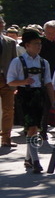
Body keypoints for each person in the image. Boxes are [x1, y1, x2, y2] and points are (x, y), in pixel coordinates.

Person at [5, 28, 55, 173]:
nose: (39, 46)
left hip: (39, 96)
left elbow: (48, 83)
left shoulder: (44, 62)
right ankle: (36, 160)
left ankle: (28, 158)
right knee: (32, 127)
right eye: (35, 43)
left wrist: (53, 102)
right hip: (25, 96)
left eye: (40, 43)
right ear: (26, 45)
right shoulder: (17, 61)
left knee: (35, 128)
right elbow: (10, 82)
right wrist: (23, 81)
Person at [0, 14, 17, 149]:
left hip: (7, 81)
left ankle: (6, 138)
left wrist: (15, 82)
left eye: (1, 24)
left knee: (8, 110)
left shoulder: (10, 42)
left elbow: (14, 63)